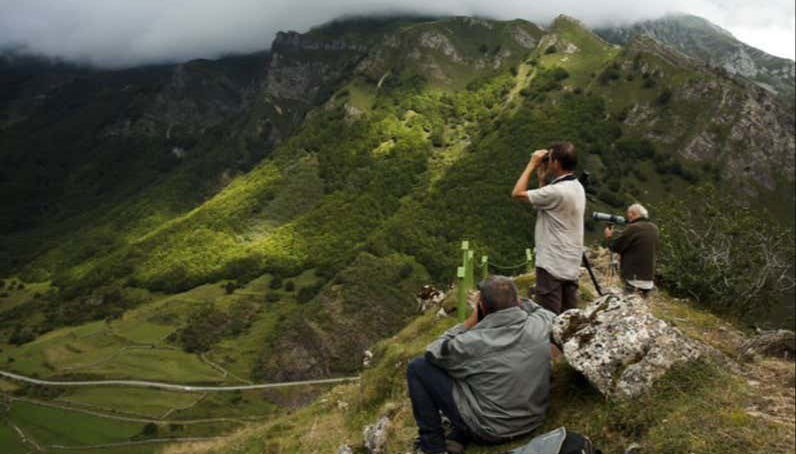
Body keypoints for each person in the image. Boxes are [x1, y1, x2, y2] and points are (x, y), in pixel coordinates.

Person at [406, 276, 555, 454]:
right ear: (517, 301)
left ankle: (433, 448)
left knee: (417, 367)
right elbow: (542, 310)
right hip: (534, 420)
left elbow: (434, 352)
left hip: (489, 431)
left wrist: (469, 322)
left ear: (482, 307)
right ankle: (457, 436)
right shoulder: (539, 324)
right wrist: (515, 300)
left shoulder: (469, 343)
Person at [511, 142, 585, 314]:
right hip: (570, 263)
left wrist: (532, 164)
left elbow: (517, 193)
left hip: (552, 263)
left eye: (550, 159)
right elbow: (547, 203)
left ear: (557, 163)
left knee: (547, 318)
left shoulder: (556, 191)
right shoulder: (577, 187)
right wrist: (543, 179)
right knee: (568, 317)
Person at [603, 203, 660, 297]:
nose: (627, 217)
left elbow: (615, 247)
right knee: (639, 308)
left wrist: (609, 237)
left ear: (632, 214)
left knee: (627, 307)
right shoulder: (654, 228)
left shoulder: (634, 228)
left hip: (633, 278)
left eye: (628, 214)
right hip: (648, 278)